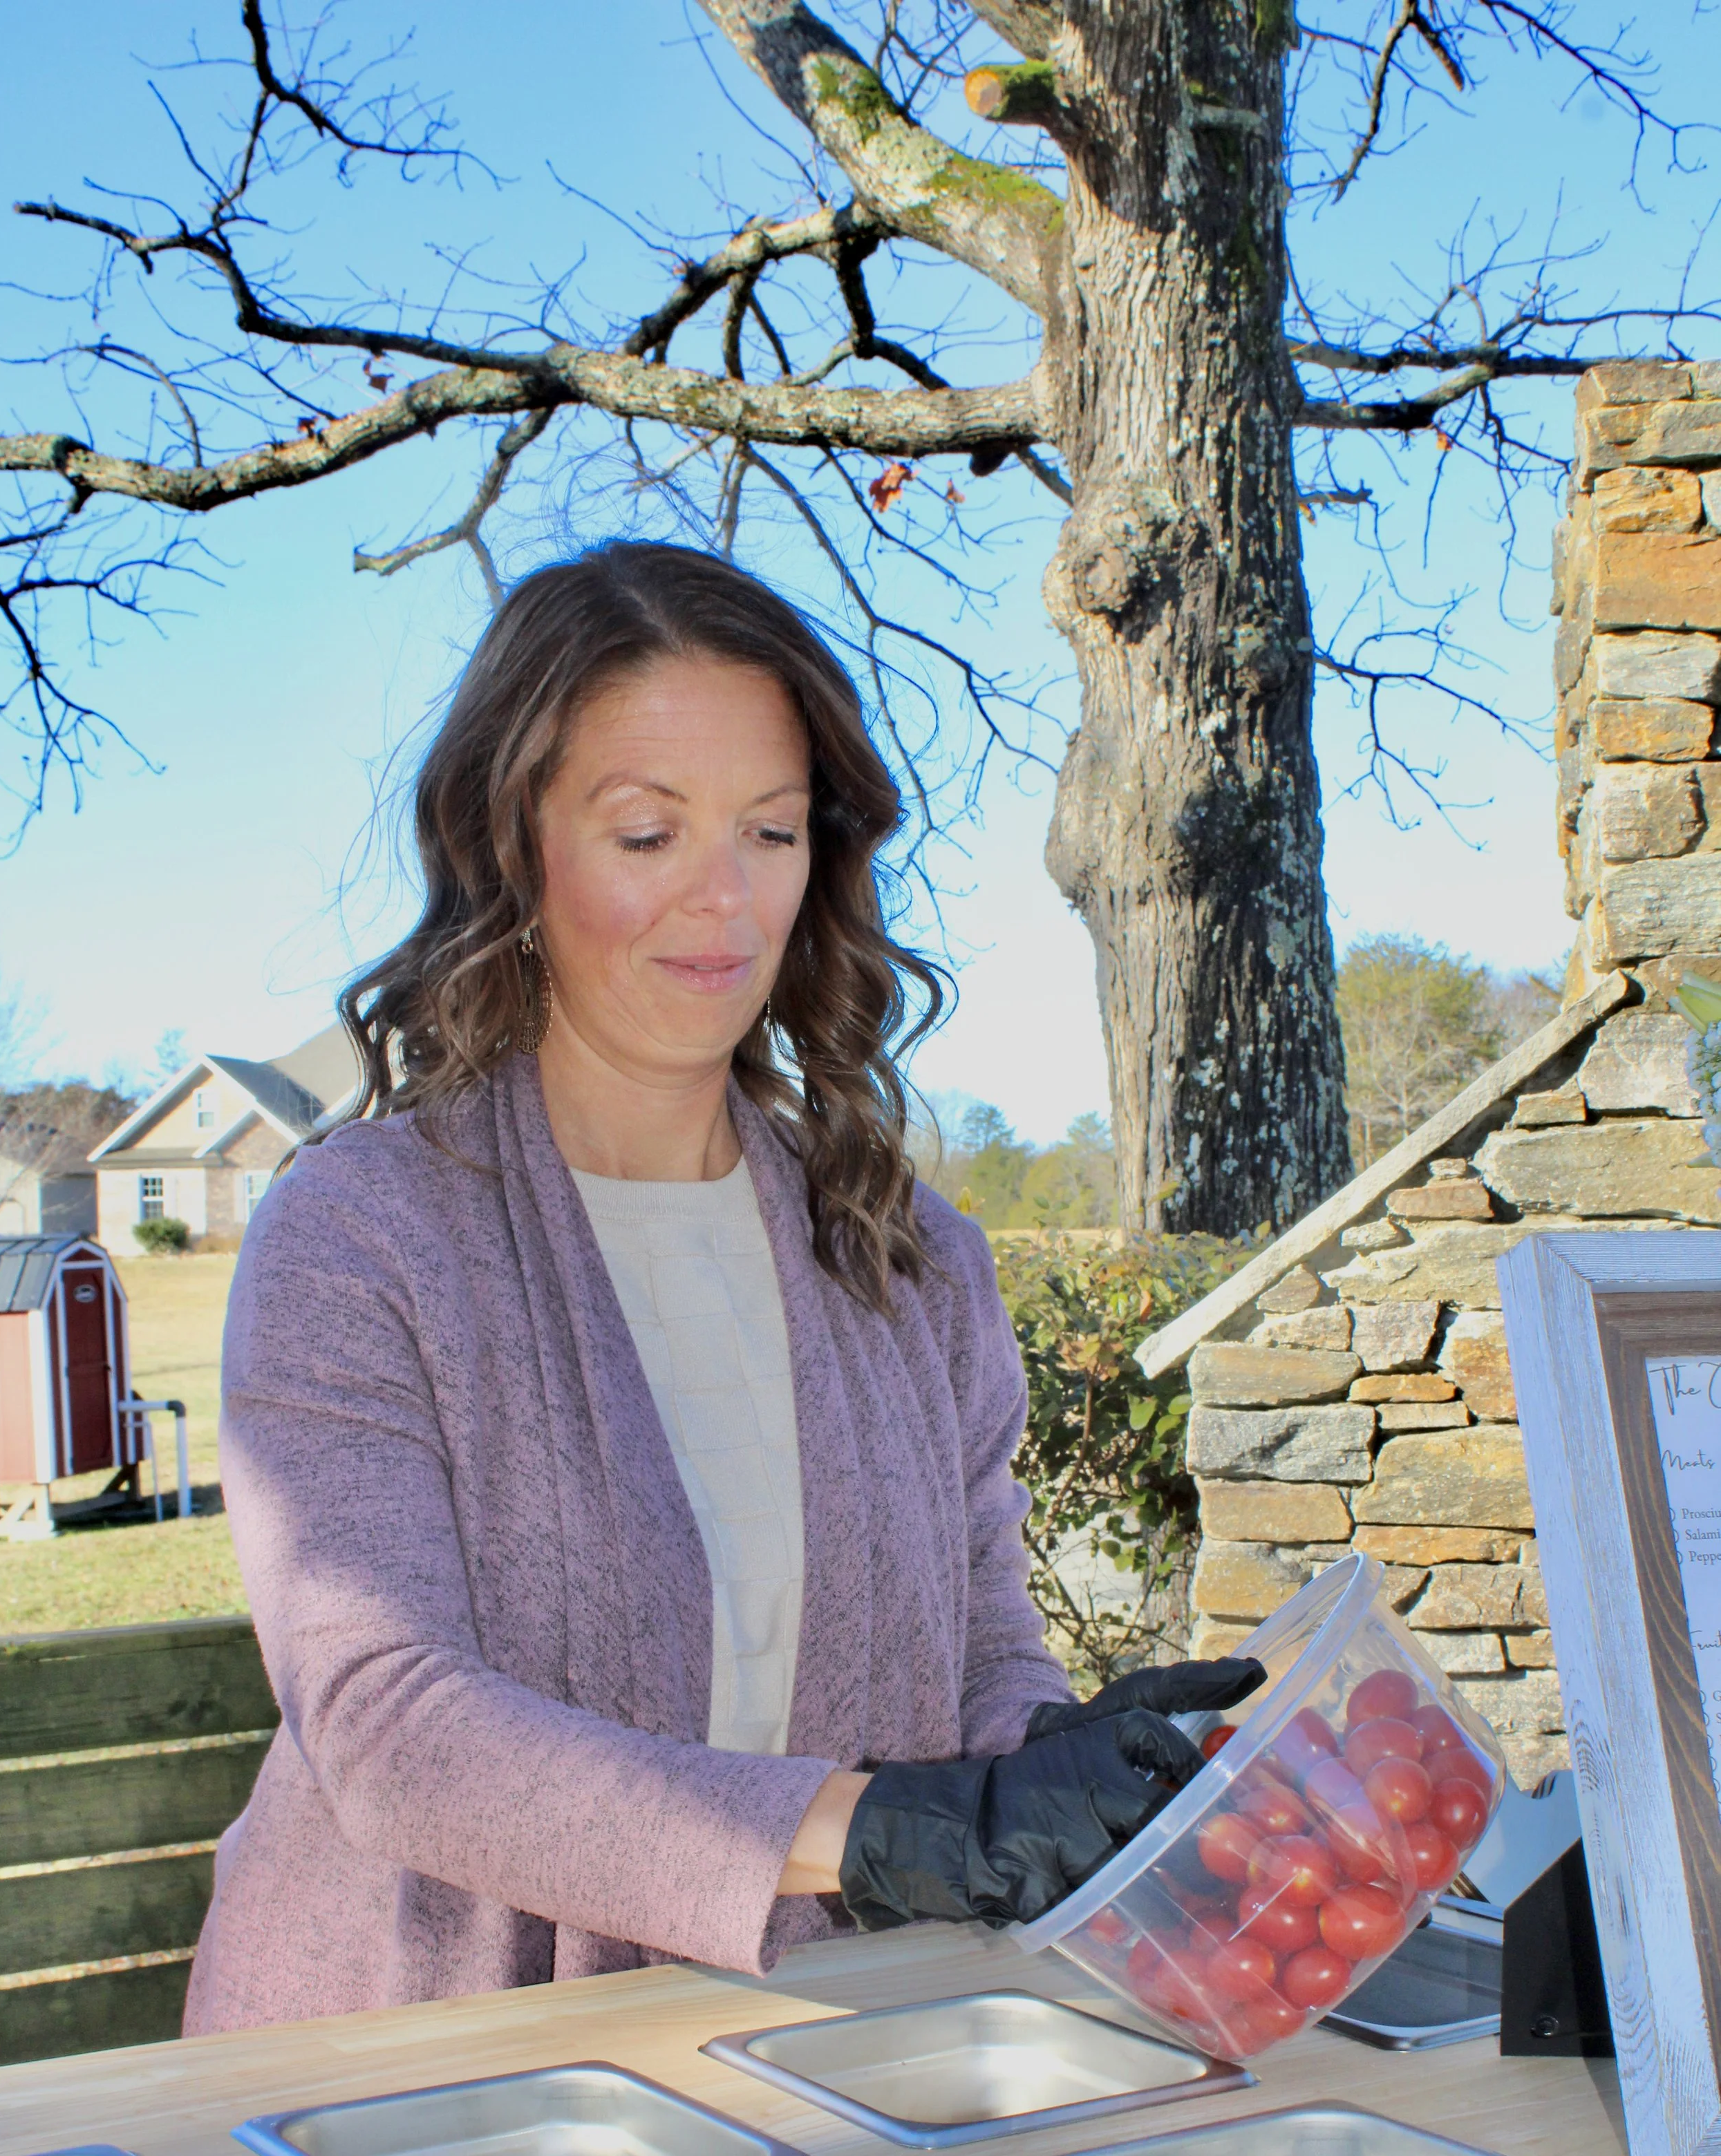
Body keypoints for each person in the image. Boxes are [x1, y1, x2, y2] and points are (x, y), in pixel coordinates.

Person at [183, 543, 1258, 2034]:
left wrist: (1058, 1769)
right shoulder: (362, 1238)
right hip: (402, 2077)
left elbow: (979, 1653)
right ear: (514, 846)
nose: (724, 902)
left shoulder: (907, 1259)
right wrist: (887, 1829)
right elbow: (392, 1732)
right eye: (645, 834)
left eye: (767, 830)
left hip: (803, 2056)